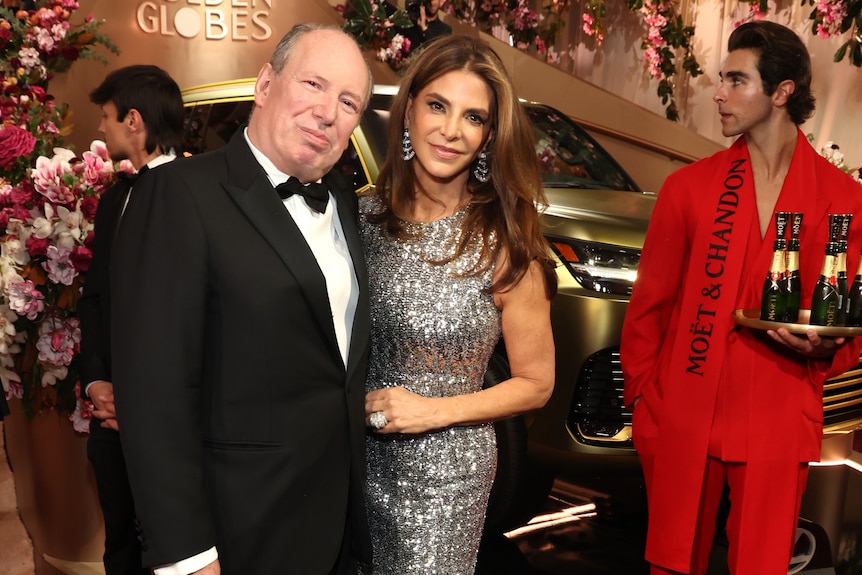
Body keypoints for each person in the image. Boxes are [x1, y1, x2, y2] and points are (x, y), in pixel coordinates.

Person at [109, 24, 374, 575]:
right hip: (236, 531)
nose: (328, 111)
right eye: (314, 84)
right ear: (265, 83)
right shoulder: (179, 194)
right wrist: (187, 555)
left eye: (349, 101)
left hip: (334, 526)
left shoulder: (346, 202)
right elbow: (154, 394)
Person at [621, 21, 862, 575]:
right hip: (683, 413)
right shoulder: (689, 189)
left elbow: (844, 319)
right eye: (721, 79)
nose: (720, 93)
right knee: (672, 566)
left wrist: (822, 352)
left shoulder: (844, 200)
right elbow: (648, 311)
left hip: (778, 412)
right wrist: (645, 403)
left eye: (736, 80)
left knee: (762, 566)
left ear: (782, 93)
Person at [358, 35, 556, 575]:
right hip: (351, 461)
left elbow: (537, 382)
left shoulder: (505, 240)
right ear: (408, 111)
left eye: (473, 117)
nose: (450, 131)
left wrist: (432, 412)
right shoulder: (360, 218)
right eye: (438, 106)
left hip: (444, 477)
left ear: (490, 136)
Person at [79, 64, 184, 575]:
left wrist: (145, 404)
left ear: (134, 120)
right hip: (111, 421)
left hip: (173, 425)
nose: (101, 128)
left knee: (172, 549)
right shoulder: (114, 198)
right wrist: (96, 376)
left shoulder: (197, 194)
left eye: (106, 117)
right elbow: (95, 296)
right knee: (120, 546)